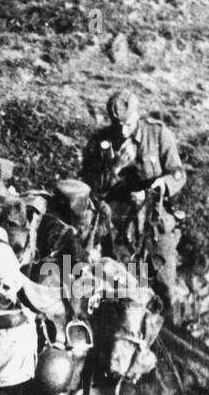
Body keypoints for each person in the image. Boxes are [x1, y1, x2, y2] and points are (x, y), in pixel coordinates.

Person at [80, 89, 187, 320]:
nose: (123, 130)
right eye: (117, 125)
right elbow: (89, 184)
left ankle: (166, 334)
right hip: (118, 222)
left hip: (153, 219)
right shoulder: (102, 142)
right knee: (116, 282)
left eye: (127, 124)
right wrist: (114, 167)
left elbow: (178, 174)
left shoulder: (157, 134)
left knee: (164, 280)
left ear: (137, 115)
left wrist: (160, 185)